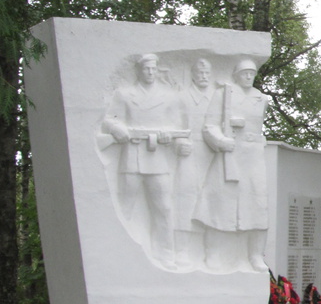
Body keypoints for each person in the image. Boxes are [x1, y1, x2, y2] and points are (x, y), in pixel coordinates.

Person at [101, 53, 188, 265]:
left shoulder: (169, 97)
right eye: (146, 69)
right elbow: (107, 120)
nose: (150, 73)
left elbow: (178, 128)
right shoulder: (124, 94)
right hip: (132, 156)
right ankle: (116, 251)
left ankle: (165, 253)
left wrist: (169, 136)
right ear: (139, 71)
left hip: (157, 159)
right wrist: (118, 128)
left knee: (164, 207)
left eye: (154, 69)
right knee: (125, 206)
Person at [193, 58, 270, 273]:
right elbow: (209, 125)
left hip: (253, 158)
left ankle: (255, 255)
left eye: (251, 73)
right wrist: (220, 141)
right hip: (229, 155)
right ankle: (213, 254)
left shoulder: (260, 98)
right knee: (219, 205)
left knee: (257, 206)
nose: (248, 77)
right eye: (244, 72)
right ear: (236, 74)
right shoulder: (223, 94)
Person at [173, 58, 216, 267]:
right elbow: (172, 124)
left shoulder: (218, 97)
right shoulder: (182, 97)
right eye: (200, 73)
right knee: (184, 200)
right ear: (193, 75)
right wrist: (179, 142)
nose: (204, 77)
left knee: (208, 202)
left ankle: (208, 252)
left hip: (211, 154)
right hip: (188, 154)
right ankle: (181, 250)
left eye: (207, 73)